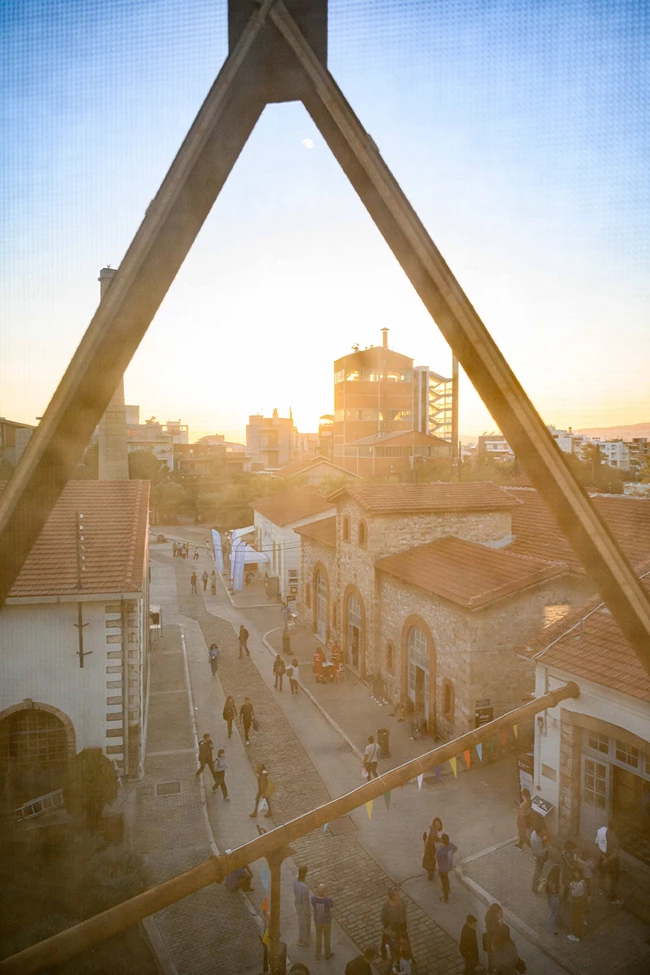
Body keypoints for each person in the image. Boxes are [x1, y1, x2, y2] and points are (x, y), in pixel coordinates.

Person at [597, 820, 623, 904]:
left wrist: (603, 856)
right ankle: (613, 898)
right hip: (611, 862)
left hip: (603, 857)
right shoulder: (616, 840)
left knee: (602, 873)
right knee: (614, 878)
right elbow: (614, 855)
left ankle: (601, 889)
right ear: (615, 828)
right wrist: (606, 861)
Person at [380, 888, 407, 963]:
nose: (399, 897)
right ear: (392, 898)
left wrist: (404, 922)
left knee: (404, 940)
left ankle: (403, 955)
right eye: (397, 896)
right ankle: (384, 953)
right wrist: (389, 927)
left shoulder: (401, 902)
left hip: (400, 925)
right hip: (390, 926)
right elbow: (383, 918)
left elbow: (404, 913)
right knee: (385, 940)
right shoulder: (386, 906)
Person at [484, 902, 509, 974]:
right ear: (495, 913)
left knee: (491, 962)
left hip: (489, 945)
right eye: (499, 913)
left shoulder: (488, 920)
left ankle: (490, 972)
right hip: (495, 946)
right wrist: (501, 925)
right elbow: (499, 935)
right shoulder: (496, 924)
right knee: (496, 963)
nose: (500, 915)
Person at [311, 884, 334, 961]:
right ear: (325, 891)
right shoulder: (328, 900)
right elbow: (331, 906)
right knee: (327, 938)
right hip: (326, 922)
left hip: (318, 921)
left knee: (318, 938)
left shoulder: (313, 899)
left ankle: (318, 955)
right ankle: (327, 954)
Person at [435, 833, 458, 903]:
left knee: (443, 881)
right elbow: (456, 848)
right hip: (449, 866)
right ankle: (448, 889)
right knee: (446, 878)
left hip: (442, 868)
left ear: (442, 840)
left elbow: (436, 857)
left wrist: (439, 860)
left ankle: (445, 897)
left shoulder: (441, 849)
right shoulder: (450, 845)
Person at [294, 865, 311, 947]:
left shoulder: (295, 879)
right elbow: (306, 901)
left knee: (301, 921)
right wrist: (308, 911)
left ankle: (303, 937)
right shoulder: (305, 888)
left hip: (297, 903)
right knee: (304, 922)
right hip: (302, 906)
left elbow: (294, 891)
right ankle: (303, 940)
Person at [567, 868, 587, 942]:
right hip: (580, 902)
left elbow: (573, 893)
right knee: (578, 917)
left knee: (575, 918)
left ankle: (575, 935)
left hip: (576, 903)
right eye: (575, 873)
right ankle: (578, 930)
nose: (575, 875)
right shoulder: (583, 882)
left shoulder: (579, 884)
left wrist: (571, 886)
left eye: (577, 873)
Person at [422, 816, 443, 882]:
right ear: (433, 824)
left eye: (438, 824)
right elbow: (427, 839)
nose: (437, 825)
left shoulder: (442, 832)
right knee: (428, 860)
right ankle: (430, 872)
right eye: (435, 824)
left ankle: (432, 871)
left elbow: (442, 842)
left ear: (440, 824)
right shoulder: (431, 829)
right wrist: (425, 847)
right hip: (430, 846)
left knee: (434, 860)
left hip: (436, 848)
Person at [530, 824, 549, 894]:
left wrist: (543, 838)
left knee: (539, 871)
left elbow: (540, 838)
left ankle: (536, 884)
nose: (543, 833)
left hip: (536, 854)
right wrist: (547, 848)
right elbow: (540, 852)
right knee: (538, 872)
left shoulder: (534, 833)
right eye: (542, 832)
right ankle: (534, 887)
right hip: (539, 856)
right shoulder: (536, 840)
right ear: (539, 832)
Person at [545, 864, 562, 935]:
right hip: (554, 898)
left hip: (551, 898)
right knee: (552, 913)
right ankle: (550, 929)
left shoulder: (549, 878)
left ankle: (551, 927)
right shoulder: (554, 882)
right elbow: (555, 890)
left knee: (552, 912)